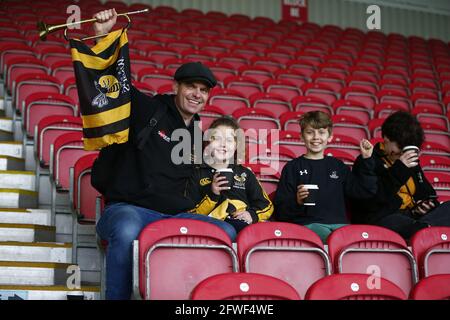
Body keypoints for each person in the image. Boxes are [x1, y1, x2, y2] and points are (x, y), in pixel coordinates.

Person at [91, 9, 236, 300]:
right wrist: (103, 36)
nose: (197, 94)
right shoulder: (149, 110)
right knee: (129, 227)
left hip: (174, 215)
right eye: (191, 87)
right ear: (175, 87)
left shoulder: (197, 135)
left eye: (203, 90)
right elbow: (114, 87)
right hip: (127, 209)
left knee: (227, 233)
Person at [273, 111, 377, 242]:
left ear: (330, 137)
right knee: (335, 238)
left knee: (359, 241)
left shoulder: (338, 166)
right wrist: (297, 201)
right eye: (310, 132)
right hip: (308, 225)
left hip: (340, 226)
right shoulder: (292, 168)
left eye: (321, 132)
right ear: (301, 136)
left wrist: (366, 159)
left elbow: (364, 192)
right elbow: (280, 212)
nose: (316, 137)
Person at [350, 111, 450, 239]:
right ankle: (427, 229)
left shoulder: (410, 161)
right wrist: (400, 169)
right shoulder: (368, 160)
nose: (402, 156)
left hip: (413, 217)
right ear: (386, 139)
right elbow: (371, 203)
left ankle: (425, 228)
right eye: (399, 152)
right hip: (382, 218)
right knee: (399, 221)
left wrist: (424, 205)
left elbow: (426, 192)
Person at [186, 116, 274, 233]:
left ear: (236, 145)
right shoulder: (197, 173)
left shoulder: (245, 173)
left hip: (244, 228)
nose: (223, 144)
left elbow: (266, 205)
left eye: (229, 140)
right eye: (217, 138)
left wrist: (252, 215)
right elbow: (190, 214)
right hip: (210, 228)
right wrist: (213, 194)